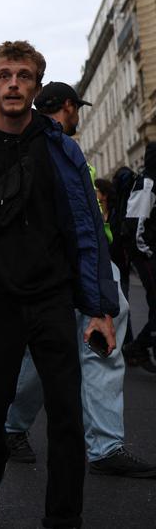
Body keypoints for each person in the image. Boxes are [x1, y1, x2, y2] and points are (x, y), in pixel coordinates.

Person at [0, 41, 118, 526]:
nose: (13, 83)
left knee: (66, 416)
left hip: (51, 297)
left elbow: (89, 230)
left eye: (24, 76)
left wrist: (100, 306)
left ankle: (63, 517)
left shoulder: (62, 150)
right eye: (4, 75)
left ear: (36, 86)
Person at [3, 81, 156, 478]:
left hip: (65, 267)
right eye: (77, 110)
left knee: (55, 351)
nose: (78, 118)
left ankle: (15, 429)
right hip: (77, 266)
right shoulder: (61, 149)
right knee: (93, 347)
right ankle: (101, 446)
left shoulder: (30, 145)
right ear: (69, 107)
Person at [121, 141, 156, 370]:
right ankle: (137, 346)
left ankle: (142, 346)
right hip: (146, 256)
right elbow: (137, 223)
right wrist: (147, 252)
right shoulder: (147, 183)